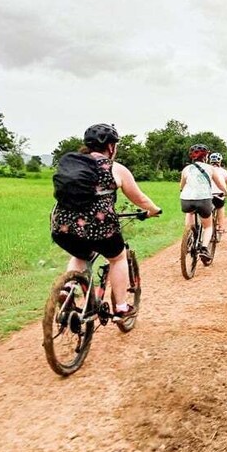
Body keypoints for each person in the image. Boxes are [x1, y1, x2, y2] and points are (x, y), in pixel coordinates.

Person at [51, 123, 161, 318]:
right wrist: (153, 210)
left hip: (62, 227)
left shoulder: (73, 165)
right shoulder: (115, 168)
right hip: (100, 229)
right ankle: (120, 306)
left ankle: (66, 290)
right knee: (117, 258)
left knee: (80, 254)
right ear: (111, 147)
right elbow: (139, 198)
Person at [180, 144, 227, 261]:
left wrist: (183, 190)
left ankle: (189, 235)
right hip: (204, 200)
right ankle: (204, 248)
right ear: (206, 157)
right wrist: (226, 191)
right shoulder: (210, 168)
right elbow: (219, 184)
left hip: (186, 200)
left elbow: (182, 185)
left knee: (189, 212)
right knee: (208, 226)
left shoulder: (186, 169)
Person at [208, 152, 227, 234]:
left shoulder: (206, 170)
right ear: (220, 161)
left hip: (206, 195)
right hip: (218, 195)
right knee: (220, 207)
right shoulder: (223, 171)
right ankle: (221, 227)